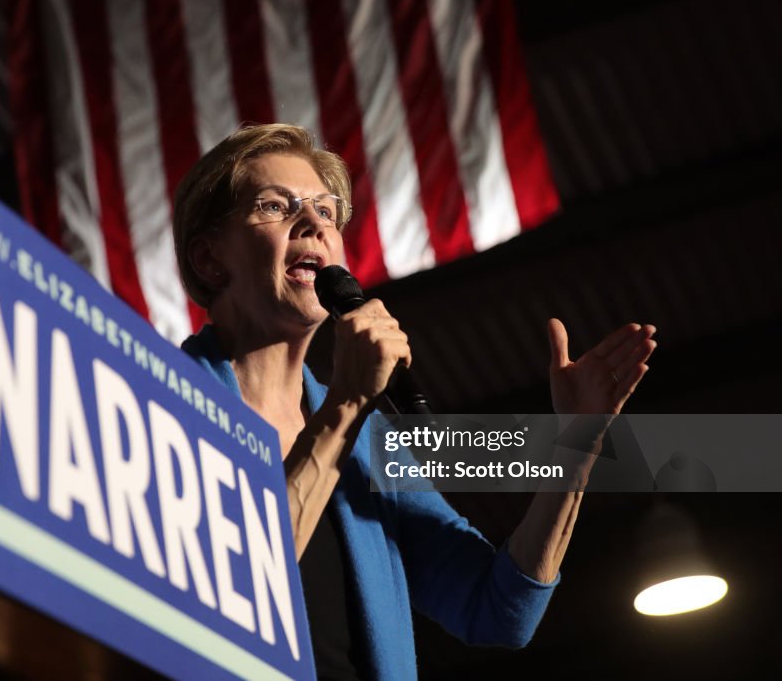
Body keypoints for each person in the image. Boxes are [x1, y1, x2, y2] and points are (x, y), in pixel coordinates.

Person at [172, 124, 656, 678]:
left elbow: (498, 611)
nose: (314, 224)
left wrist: (578, 446)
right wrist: (349, 404)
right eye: (275, 206)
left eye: (327, 212)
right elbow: (233, 585)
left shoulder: (368, 442)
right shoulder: (166, 399)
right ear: (210, 260)